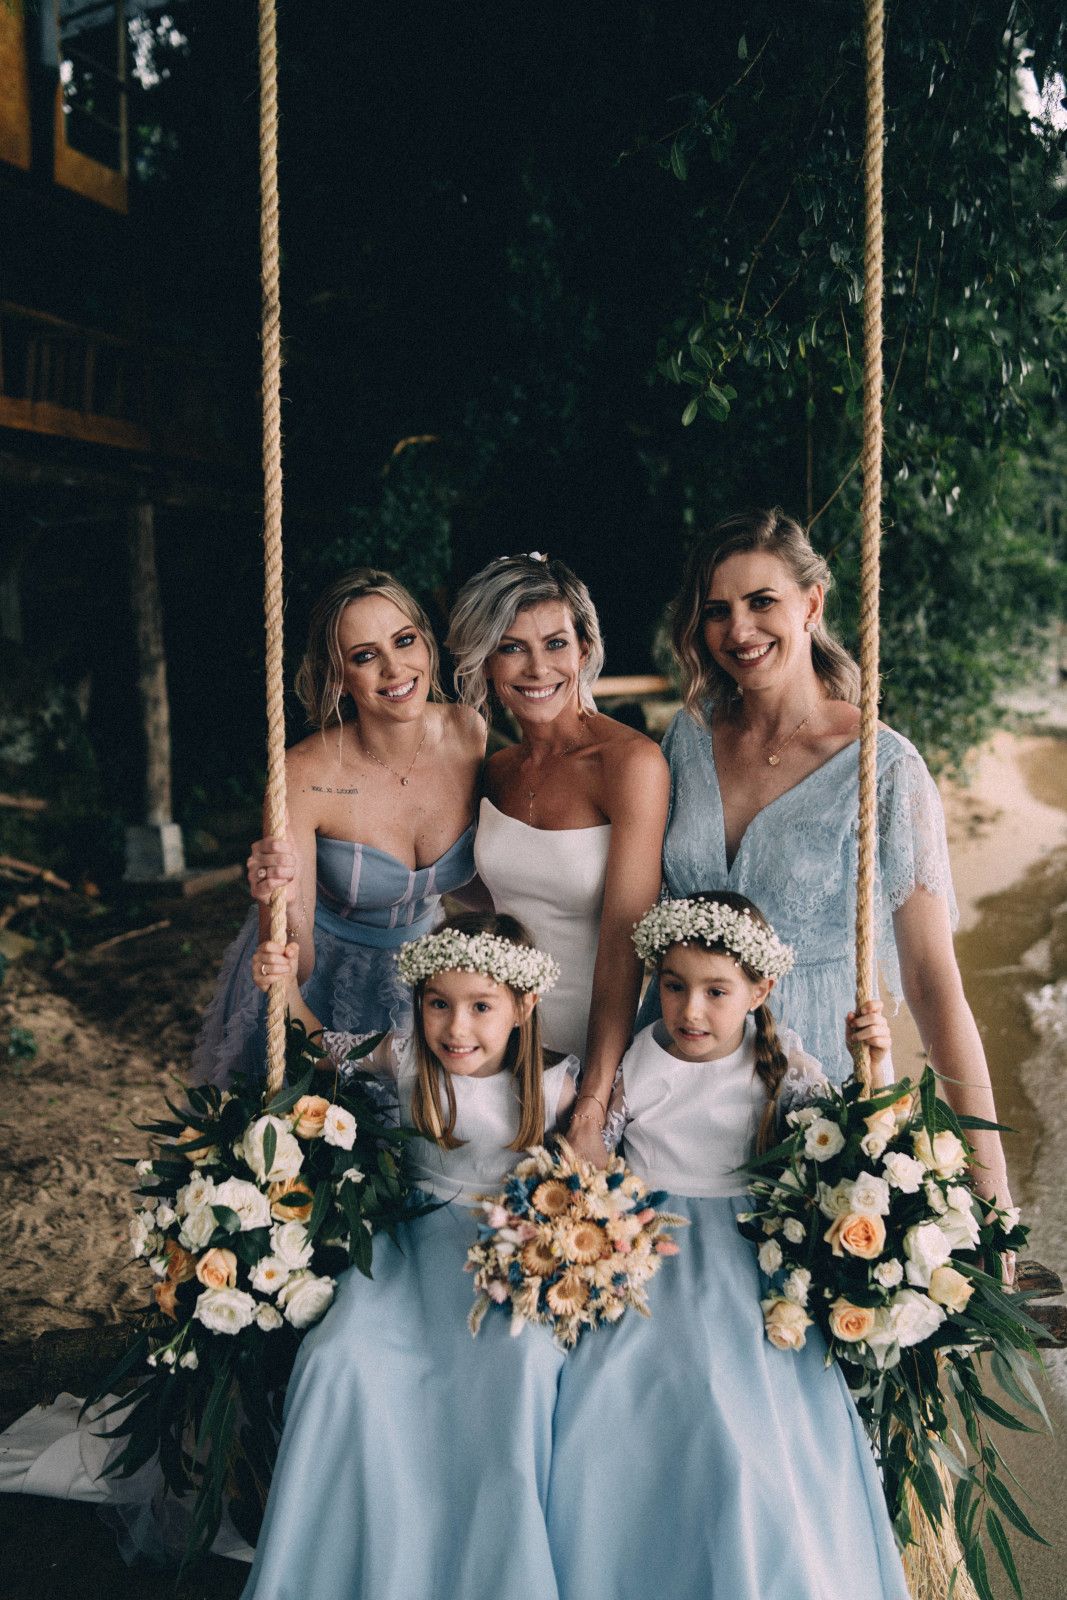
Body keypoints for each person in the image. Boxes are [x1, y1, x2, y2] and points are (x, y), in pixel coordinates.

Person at [648, 506, 1012, 1211]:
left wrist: (989, 1188)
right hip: (675, 1078)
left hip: (813, 1099)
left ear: (812, 605)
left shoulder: (884, 768)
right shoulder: (685, 741)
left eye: (762, 602)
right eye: (717, 611)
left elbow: (932, 982)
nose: (739, 630)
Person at [547, 892, 909, 1600]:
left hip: (748, 1255)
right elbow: (594, 1152)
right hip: (650, 1250)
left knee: (743, 1416)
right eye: (673, 986)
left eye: (716, 992)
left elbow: (859, 1146)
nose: (690, 1011)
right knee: (620, 1397)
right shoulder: (637, 1062)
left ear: (759, 991)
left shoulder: (779, 1068)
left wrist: (879, 1063)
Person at [243, 911, 577, 1600]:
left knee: (519, 1368)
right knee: (338, 1358)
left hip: (502, 1258)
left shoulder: (559, 1086)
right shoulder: (405, 1058)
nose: (456, 1028)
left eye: (481, 1007)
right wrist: (285, 986)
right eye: (438, 1004)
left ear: (523, 1007)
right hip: (405, 1251)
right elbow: (318, 1044)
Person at [192, 568, 483, 1087]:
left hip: (433, 978)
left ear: (426, 642)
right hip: (324, 984)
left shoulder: (468, 732)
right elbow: (296, 955)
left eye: (404, 640)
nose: (395, 668)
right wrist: (273, 898)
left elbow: (488, 876)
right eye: (365, 656)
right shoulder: (303, 776)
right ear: (338, 676)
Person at [447, 554, 669, 1163]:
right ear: (485, 661)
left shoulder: (630, 764)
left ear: (585, 648)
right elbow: (483, 894)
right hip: (492, 1042)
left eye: (555, 643)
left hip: (592, 1051)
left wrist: (593, 1103)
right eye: (512, 648)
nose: (538, 668)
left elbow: (625, 944)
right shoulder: (495, 771)